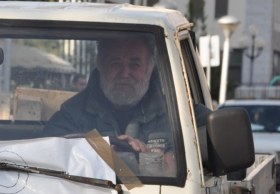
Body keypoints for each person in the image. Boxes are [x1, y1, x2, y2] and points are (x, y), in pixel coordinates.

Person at [44, 33, 179, 176]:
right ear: (100, 64)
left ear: (150, 67)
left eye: (134, 64)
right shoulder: (71, 116)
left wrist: (150, 157)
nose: (125, 73)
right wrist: (103, 153)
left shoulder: (177, 116)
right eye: (116, 63)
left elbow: (193, 169)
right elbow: (46, 163)